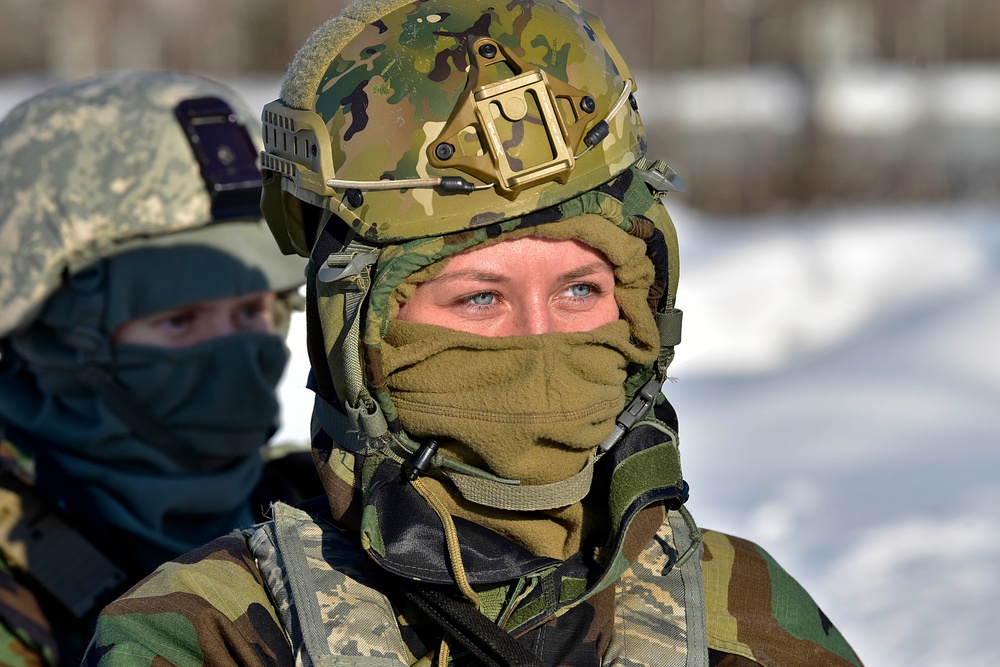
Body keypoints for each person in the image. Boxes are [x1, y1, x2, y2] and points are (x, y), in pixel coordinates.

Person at [84, 3, 864, 666]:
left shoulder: (746, 608)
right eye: (479, 298)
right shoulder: (207, 631)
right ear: (362, 341)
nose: (539, 342)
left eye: (580, 289)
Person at [0, 71, 322, 665]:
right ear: (58, 336)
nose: (234, 351)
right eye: (181, 320)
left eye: (253, 309)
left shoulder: (329, 517)